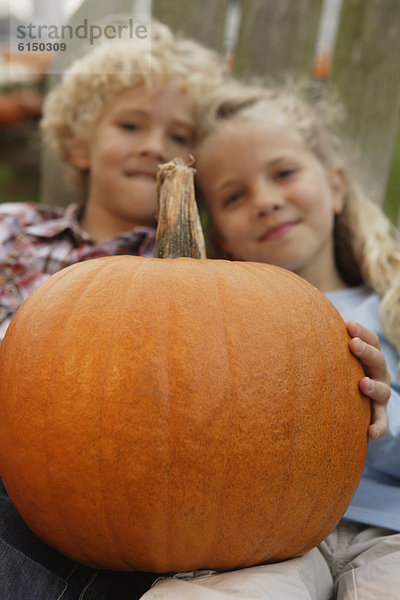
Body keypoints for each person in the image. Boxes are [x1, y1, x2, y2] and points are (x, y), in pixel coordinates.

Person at [141, 82, 400, 599]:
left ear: (337, 186)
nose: (266, 201)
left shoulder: (390, 305)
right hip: (257, 537)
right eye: (235, 196)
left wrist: (384, 413)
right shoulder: (211, 328)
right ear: (222, 235)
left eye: (284, 173)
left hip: (387, 532)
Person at [0, 21, 227, 600]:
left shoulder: (203, 282)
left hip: (94, 492)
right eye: (131, 125)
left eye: (180, 137)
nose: (157, 147)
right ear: (79, 142)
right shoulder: (13, 227)